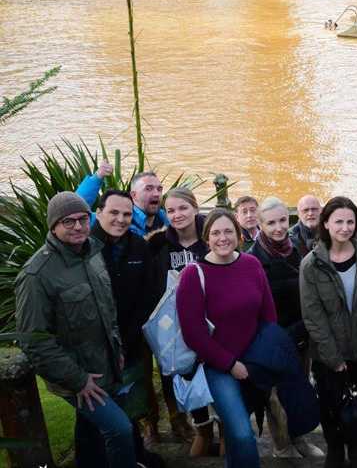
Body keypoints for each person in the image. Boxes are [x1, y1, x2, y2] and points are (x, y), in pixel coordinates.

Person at [16, 192, 137, 468]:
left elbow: (107, 307)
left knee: (91, 434)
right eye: (68, 221)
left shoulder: (92, 252)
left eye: (83, 219)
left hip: (104, 364)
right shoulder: (36, 275)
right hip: (77, 377)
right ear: (53, 226)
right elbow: (34, 341)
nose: (79, 226)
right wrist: (78, 380)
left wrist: (116, 348)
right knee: (120, 430)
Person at [176, 208, 279, 468]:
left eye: (228, 231)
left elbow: (269, 317)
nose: (223, 238)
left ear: (238, 234)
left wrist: (261, 358)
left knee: (236, 433)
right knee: (243, 435)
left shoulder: (251, 264)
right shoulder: (193, 275)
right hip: (218, 366)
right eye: (215, 233)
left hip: (254, 362)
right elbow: (193, 334)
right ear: (206, 238)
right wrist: (231, 365)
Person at [300, 197, 357, 468]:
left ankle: (356, 449)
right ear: (325, 223)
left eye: (350, 221)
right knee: (330, 403)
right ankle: (335, 450)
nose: (345, 227)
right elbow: (312, 317)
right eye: (338, 221)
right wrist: (333, 356)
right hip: (329, 351)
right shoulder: (311, 264)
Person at [81, 189, 162, 467]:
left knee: (131, 405)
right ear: (99, 212)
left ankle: (136, 455)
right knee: (94, 412)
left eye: (127, 214)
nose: (120, 219)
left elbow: (149, 294)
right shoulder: (84, 248)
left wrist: (130, 338)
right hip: (95, 349)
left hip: (131, 341)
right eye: (114, 213)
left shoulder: (138, 246)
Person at [249, 198, 323, 459]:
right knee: (275, 397)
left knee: (298, 388)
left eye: (282, 220)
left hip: (301, 334)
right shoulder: (252, 259)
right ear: (259, 225)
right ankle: (282, 446)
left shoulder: (298, 250)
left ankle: (298, 436)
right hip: (272, 339)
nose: (279, 228)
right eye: (271, 223)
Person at [146, 186, 213, 449]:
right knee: (181, 371)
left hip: (211, 318)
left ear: (195, 208)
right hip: (174, 324)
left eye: (183, 208)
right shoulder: (157, 244)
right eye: (170, 210)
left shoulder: (212, 236)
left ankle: (222, 424)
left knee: (212, 371)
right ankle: (197, 426)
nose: (177, 215)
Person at [77, 166, 168, 235]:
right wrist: (97, 177)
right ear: (134, 195)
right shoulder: (114, 218)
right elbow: (76, 209)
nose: (156, 194)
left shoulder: (167, 218)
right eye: (148, 189)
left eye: (159, 189)